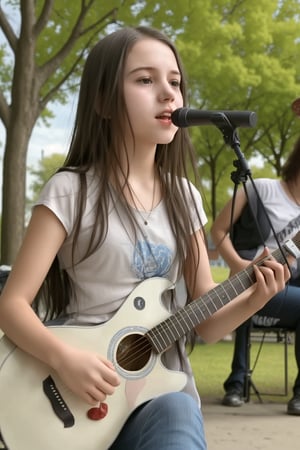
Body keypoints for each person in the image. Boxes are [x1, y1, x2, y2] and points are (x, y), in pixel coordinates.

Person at [0, 26, 289, 450]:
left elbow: (205, 321)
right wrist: (65, 361)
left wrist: (255, 299)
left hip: (158, 398)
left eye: (175, 82)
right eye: (144, 80)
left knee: (178, 411)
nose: (168, 94)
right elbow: (11, 305)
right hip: (74, 396)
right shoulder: (70, 191)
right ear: (102, 101)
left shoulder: (185, 198)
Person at [211, 136, 300, 416]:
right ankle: (236, 382)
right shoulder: (261, 188)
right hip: (253, 281)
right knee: (253, 288)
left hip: (291, 289)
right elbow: (218, 231)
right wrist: (238, 265)